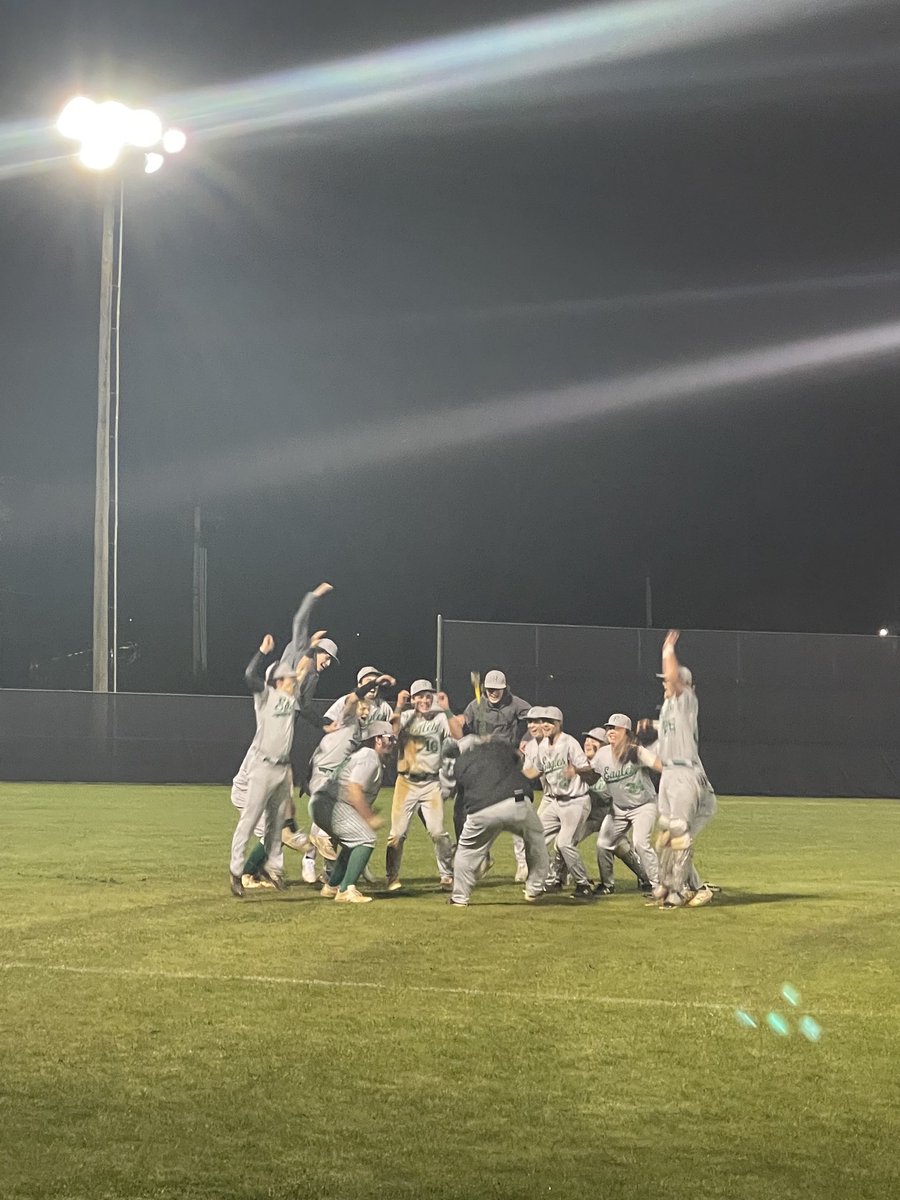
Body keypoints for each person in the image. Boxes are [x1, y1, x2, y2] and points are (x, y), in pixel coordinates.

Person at [233, 582, 338, 884]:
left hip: (285, 713)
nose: (327, 663)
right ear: (316, 650)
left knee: (285, 775)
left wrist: (321, 724)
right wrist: (314, 595)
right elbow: (299, 621)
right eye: (326, 657)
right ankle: (281, 835)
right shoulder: (303, 650)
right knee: (274, 774)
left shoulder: (313, 675)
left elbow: (303, 706)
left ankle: (276, 846)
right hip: (274, 690)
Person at [229, 635, 314, 897]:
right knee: (250, 819)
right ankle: (236, 871)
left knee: (276, 823)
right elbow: (248, 675)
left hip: (281, 768)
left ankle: (273, 869)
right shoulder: (266, 696)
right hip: (263, 766)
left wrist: (312, 648)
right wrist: (262, 652)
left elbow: (303, 669)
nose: (294, 680)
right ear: (278, 681)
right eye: (288, 678)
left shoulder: (290, 698)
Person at [638, 631, 717, 909]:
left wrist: (667, 650)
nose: (665, 685)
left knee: (678, 833)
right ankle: (668, 886)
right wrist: (636, 752)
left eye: (670, 681)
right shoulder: (669, 709)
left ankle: (681, 890)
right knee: (665, 837)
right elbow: (658, 759)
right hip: (671, 775)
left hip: (687, 776)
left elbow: (673, 678)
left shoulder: (687, 702)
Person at [299, 666, 396, 884]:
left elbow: (389, 728)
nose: (365, 711)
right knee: (328, 817)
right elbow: (352, 701)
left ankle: (337, 872)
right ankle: (309, 857)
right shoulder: (348, 711)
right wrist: (376, 681)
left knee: (346, 819)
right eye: (368, 681)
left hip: (340, 772)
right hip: (325, 770)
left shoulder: (374, 714)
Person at [448, 737, 549, 906]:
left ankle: (459, 898)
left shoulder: (461, 762)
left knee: (466, 850)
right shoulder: (499, 748)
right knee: (536, 838)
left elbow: (460, 796)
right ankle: (534, 888)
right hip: (516, 800)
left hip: (482, 809)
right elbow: (518, 760)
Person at [386, 679, 464, 891]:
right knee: (397, 834)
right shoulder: (406, 717)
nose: (424, 700)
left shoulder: (439, 718)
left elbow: (458, 734)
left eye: (427, 695)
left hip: (431, 784)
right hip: (406, 782)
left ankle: (447, 874)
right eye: (419, 696)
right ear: (413, 699)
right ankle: (392, 877)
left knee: (438, 832)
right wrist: (400, 707)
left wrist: (447, 710)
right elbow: (392, 732)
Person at [308, 721, 396, 904]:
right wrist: (369, 818)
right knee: (366, 838)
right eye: (390, 738)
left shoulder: (367, 756)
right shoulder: (370, 756)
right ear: (377, 740)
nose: (393, 743)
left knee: (351, 843)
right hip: (331, 804)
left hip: (323, 803)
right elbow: (354, 789)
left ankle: (332, 886)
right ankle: (346, 889)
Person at [463, 669, 533, 881]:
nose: (494, 693)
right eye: (491, 689)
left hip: (510, 764)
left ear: (505, 689)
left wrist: (528, 737)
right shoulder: (475, 706)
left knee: (518, 811)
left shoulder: (516, 704)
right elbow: (464, 727)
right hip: (486, 767)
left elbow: (534, 718)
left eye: (498, 690)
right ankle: (483, 859)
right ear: (484, 689)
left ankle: (523, 863)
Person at [525, 706, 596, 899]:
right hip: (555, 802)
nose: (545, 725)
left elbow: (589, 772)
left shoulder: (569, 742)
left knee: (564, 843)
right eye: (543, 722)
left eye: (550, 722)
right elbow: (535, 771)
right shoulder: (540, 746)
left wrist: (576, 771)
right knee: (533, 837)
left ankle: (583, 885)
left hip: (576, 801)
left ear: (559, 724)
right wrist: (514, 775)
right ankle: (547, 880)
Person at [592, 714, 659, 896]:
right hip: (619, 809)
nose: (611, 732)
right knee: (603, 844)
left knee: (640, 843)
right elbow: (591, 775)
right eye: (609, 728)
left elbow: (660, 765)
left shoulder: (636, 751)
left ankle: (657, 885)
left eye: (616, 728)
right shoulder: (602, 755)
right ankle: (607, 884)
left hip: (643, 805)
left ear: (627, 733)